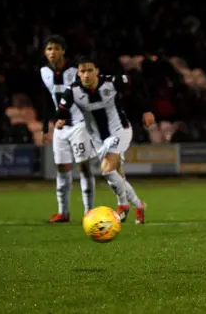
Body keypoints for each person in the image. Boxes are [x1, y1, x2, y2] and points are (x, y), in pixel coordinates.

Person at [55, 57, 155, 224]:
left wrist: (146, 110)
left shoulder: (111, 82)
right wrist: (60, 120)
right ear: (78, 73)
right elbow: (61, 111)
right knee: (118, 176)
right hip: (99, 141)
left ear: (97, 71)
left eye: (89, 70)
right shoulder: (73, 91)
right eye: (82, 71)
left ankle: (122, 205)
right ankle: (139, 205)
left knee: (107, 170)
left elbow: (138, 82)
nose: (86, 75)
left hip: (120, 131)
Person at [39, 35, 97, 223]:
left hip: (79, 123)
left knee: (83, 167)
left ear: (63, 51)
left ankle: (89, 212)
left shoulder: (76, 70)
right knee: (62, 169)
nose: (52, 52)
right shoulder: (44, 72)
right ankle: (63, 212)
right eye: (49, 49)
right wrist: (44, 127)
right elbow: (47, 100)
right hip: (59, 127)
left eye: (56, 48)